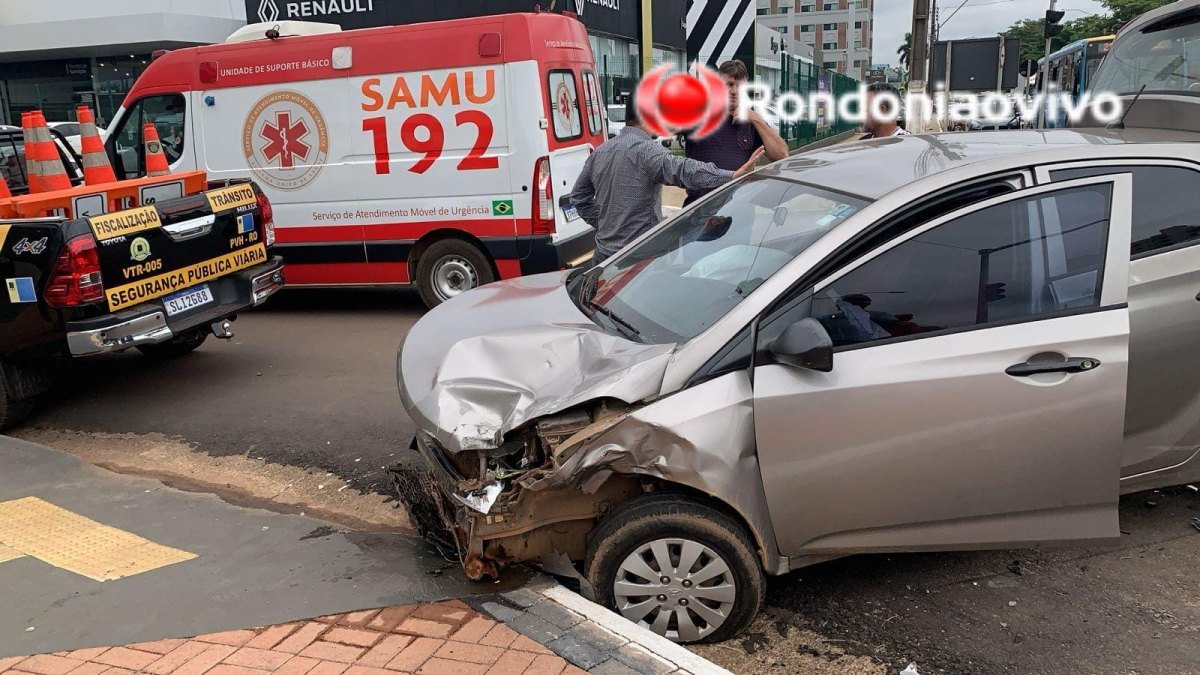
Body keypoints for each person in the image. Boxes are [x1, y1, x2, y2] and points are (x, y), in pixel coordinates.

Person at [570, 91, 764, 263]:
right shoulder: (646, 150)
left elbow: (579, 197)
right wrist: (731, 175)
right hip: (636, 260)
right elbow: (684, 169)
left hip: (602, 258)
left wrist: (605, 224)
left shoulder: (600, 152)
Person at [682, 60, 789, 206]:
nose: (734, 91)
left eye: (740, 86)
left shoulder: (752, 121)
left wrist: (755, 118)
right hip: (700, 211)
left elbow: (781, 155)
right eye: (729, 84)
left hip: (739, 212)